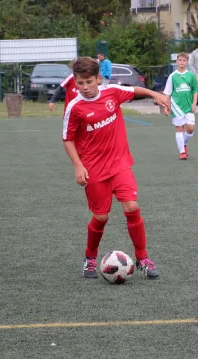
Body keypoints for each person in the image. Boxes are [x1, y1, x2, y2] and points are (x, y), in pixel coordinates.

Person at [62, 56, 170, 279]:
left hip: (120, 164)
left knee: (131, 207)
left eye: (89, 82)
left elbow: (134, 90)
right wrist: (78, 166)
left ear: (98, 79)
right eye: (80, 83)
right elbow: (67, 139)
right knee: (101, 217)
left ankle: (142, 258)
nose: (85, 88)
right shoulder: (75, 107)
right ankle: (90, 258)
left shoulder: (111, 92)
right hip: (94, 170)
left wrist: (155, 94)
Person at [163, 53, 198, 160]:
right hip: (176, 106)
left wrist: (194, 103)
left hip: (188, 106)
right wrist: (166, 106)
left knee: (190, 128)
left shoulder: (191, 76)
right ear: (177, 62)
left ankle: (184, 144)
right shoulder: (172, 76)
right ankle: (182, 152)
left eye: (184, 60)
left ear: (187, 62)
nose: (182, 62)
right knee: (179, 128)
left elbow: (195, 90)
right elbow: (167, 92)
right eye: (180, 60)